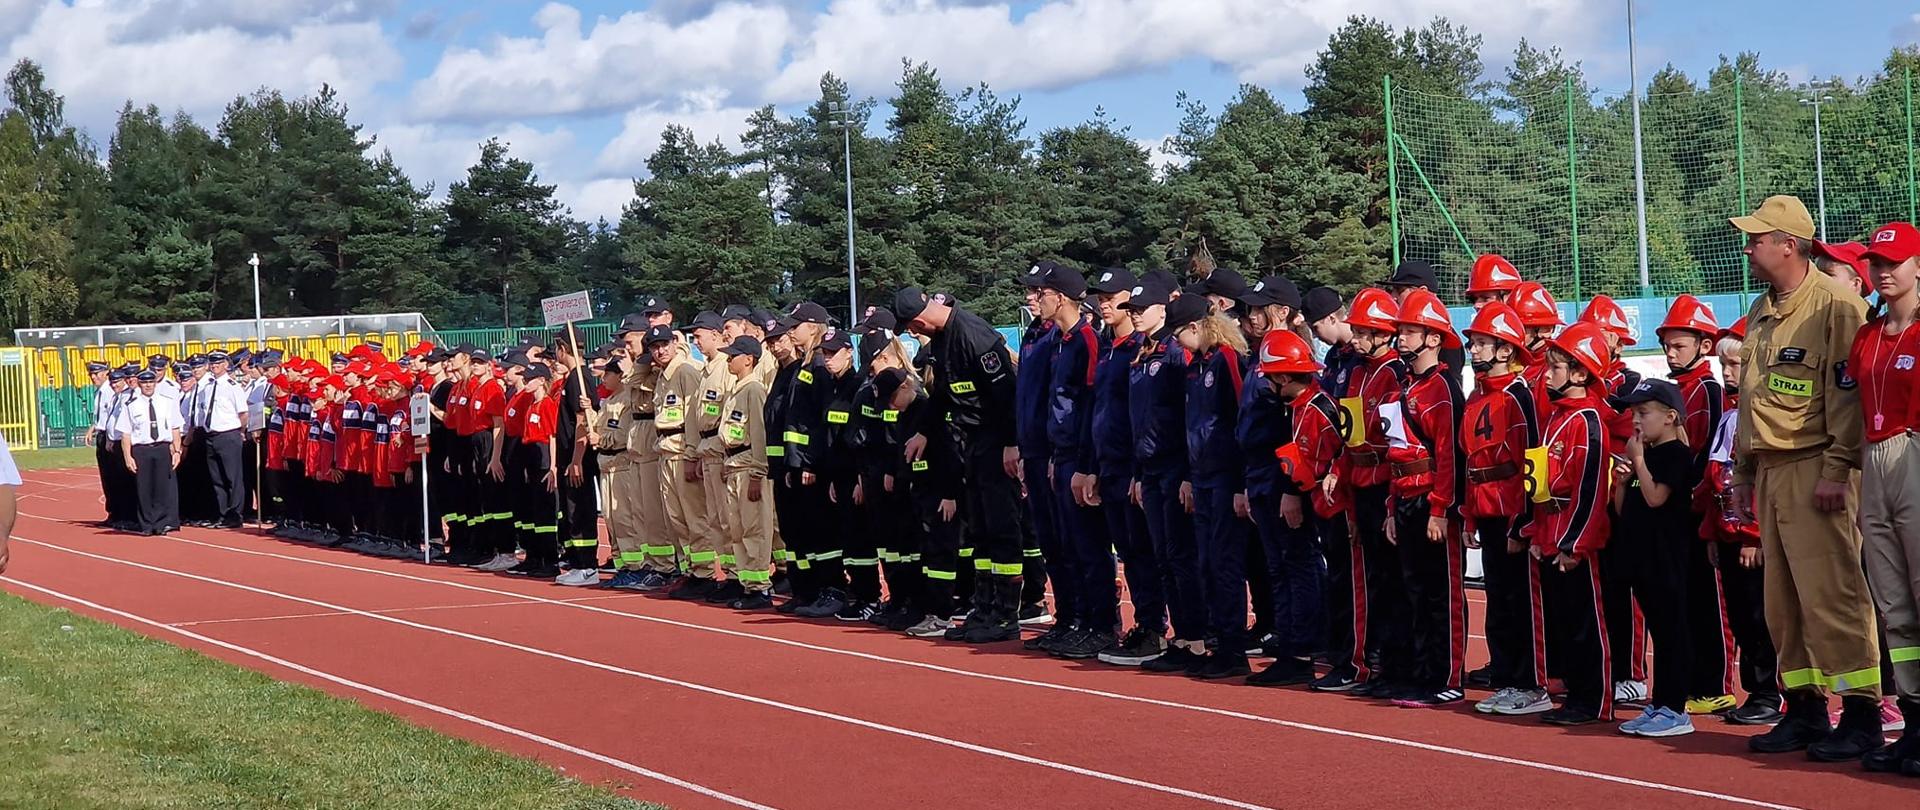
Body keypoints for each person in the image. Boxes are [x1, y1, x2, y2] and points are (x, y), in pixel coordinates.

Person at [1728, 194, 1880, 761]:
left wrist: (1839, 469)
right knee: (1783, 602)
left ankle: (1862, 714)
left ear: (1787, 244)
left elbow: (1847, 397)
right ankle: (1807, 710)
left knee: (1833, 595)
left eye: (1757, 238)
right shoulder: (1764, 309)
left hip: (1818, 464)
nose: (1748, 247)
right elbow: (1752, 400)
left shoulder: (1835, 306)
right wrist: (1743, 471)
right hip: (1770, 469)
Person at [894, 286, 1026, 643]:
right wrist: (923, 431)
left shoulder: (972, 334)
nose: (912, 333)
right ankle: (984, 608)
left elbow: (1005, 394)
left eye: (910, 327)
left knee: (1001, 528)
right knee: (981, 529)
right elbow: (942, 395)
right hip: (974, 443)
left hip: (997, 441)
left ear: (919, 319)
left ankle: (1005, 614)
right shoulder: (941, 339)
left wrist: (1011, 444)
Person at [1850, 221, 1920, 774]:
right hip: (1874, 459)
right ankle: (1914, 719)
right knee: (1892, 601)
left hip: (1913, 452)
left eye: (1894, 262)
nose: (1884, 272)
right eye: (1876, 262)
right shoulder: (1868, 335)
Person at [1654, 295, 1742, 716]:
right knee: (1685, 599)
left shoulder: (1706, 388)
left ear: (1704, 346)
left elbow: (1704, 452)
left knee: (1708, 600)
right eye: (1667, 346)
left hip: (1697, 510)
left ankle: (1716, 682)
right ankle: (1695, 679)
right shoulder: (1678, 389)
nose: (1671, 353)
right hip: (1679, 511)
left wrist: (1694, 496)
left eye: (1679, 345)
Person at [1460, 303, 1549, 716]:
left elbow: (1533, 459)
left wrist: (1525, 520)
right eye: (1474, 342)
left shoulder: (1520, 396)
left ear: (1504, 349)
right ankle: (1506, 678)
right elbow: (1469, 458)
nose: (1474, 350)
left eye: (1481, 343)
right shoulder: (1477, 394)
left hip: (1514, 513)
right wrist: (1469, 514)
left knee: (1521, 603)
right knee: (1497, 601)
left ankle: (1531, 684)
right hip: (1485, 508)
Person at [1385, 288, 1469, 708]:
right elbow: (1394, 448)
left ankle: (1447, 676)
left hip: (1431, 502)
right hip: (1404, 498)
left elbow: (1450, 455)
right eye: (1400, 330)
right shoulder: (1406, 385)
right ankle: (1421, 672)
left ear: (1434, 339)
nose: (1401, 337)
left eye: (1411, 330)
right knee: (1415, 590)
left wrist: (1441, 509)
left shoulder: (1442, 388)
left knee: (1443, 593)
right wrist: (1390, 507)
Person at [1530, 323, 1616, 725]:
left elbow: (1591, 488)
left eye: (1557, 368)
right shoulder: (1557, 419)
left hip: (1576, 542)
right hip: (1551, 534)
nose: (1547, 375)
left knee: (1587, 622)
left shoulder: (1588, 422)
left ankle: (1594, 699)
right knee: (1564, 620)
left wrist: (1573, 544)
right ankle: (1574, 694)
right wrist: (1538, 532)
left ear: (1581, 373)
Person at [1248, 328, 1342, 686]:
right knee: (1283, 570)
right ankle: (1291, 647)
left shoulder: (1319, 408)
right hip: (1301, 503)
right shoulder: (1293, 408)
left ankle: (1303, 650)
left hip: (1321, 509)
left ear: (1286, 376)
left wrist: (1297, 495)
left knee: (1302, 571)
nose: (1268, 385)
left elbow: (1336, 457)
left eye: (1272, 377)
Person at [1702, 317, 1783, 726]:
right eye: (1723, 366)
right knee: (1740, 615)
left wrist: (1754, 536)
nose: (1726, 373)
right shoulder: (1729, 416)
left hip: (1752, 537)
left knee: (1761, 615)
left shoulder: (1761, 412)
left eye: (1734, 365)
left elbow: (1764, 481)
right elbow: (1715, 478)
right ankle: (1756, 690)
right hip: (1728, 533)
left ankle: (1772, 692)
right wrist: (1711, 533)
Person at [1084, 269, 1167, 666]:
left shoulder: (1142, 348)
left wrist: (1137, 470)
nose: (1106, 304)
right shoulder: (1109, 347)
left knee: (1144, 550)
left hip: (1135, 467)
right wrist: (1094, 465)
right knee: (1129, 552)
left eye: (1112, 297)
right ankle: (1144, 625)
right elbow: (1099, 411)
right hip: (1110, 465)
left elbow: (1143, 416)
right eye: (1101, 297)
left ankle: (1155, 628)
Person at [1126, 278, 1209, 673]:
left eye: (1143, 307)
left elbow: (1188, 414)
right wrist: (1140, 472)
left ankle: (1195, 636)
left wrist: (1189, 473)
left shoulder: (1176, 352)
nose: (1135, 314)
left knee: (1180, 556)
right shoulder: (1141, 352)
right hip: (1152, 469)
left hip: (1176, 467)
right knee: (1163, 556)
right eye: (1133, 309)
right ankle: (1182, 634)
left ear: (1164, 308)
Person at [1610, 379, 1699, 738]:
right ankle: (1660, 703)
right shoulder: (1643, 456)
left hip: (1668, 558)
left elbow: (1656, 498)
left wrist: (1639, 462)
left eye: (1644, 413)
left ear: (1670, 417)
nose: (1636, 421)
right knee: (1660, 632)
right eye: (1633, 413)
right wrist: (1620, 482)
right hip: (1640, 556)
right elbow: (1623, 509)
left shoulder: (1674, 454)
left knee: (1673, 631)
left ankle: (1675, 708)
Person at [1169, 293, 1251, 679]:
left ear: (1196, 327)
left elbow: (1239, 418)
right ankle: (1218, 640)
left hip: (1224, 477)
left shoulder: (1227, 359)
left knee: (1225, 564)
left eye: (1178, 334)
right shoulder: (1195, 366)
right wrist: (1189, 474)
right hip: (1201, 476)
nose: (1176, 343)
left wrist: (1239, 481)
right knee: (1206, 562)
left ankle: (1233, 648)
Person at [1034, 263, 1112, 658]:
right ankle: (1075, 619)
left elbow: (1090, 405)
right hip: (1059, 455)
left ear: (1059, 297)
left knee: (1088, 545)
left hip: (1080, 458)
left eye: (1041, 293)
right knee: (1065, 544)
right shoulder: (1059, 341)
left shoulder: (1086, 339)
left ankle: (1101, 624)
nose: (1035, 299)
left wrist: (1086, 462)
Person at [1339, 287, 1411, 696]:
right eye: (1357, 331)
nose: (1357, 340)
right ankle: (1379, 660)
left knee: (1394, 580)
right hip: (1361, 482)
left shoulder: (1393, 373)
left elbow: (1395, 440)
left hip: (1386, 483)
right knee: (1374, 578)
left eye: (1366, 332)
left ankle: (1397, 663)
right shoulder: (1357, 372)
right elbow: (1351, 435)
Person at [718, 335, 775, 610]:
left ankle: (760, 588)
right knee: (737, 529)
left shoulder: (753, 390)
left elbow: (759, 435)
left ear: (749, 359)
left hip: (748, 465)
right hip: (733, 465)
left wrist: (757, 472)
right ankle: (747, 582)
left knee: (754, 529)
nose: (729, 359)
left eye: (733, 356)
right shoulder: (737, 388)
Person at [117, 370, 185, 536]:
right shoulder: (131, 405)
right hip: (142, 449)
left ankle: (161, 523)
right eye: (144, 382)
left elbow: (175, 428)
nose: (148, 385)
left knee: (162, 487)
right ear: (139, 384)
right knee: (144, 488)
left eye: (151, 382)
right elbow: (125, 434)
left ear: (155, 383)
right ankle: (146, 524)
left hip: (162, 448)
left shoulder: (167, 403)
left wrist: (177, 451)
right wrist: (128, 456)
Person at [1382, 260, 1465, 375]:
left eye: (1399, 290)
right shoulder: (1403, 336)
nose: (1393, 297)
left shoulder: (1445, 341)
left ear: (1422, 292)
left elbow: (1446, 389)